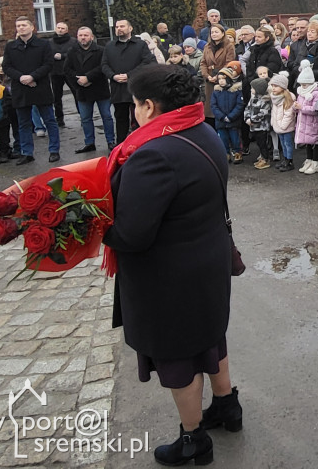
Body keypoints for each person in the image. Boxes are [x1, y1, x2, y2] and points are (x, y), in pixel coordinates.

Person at [102, 64, 240, 466]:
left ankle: (193, 438)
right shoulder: (202, 130)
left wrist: (92, 224)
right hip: (206, 260)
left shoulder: (154, 153)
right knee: (210, 337)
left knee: (180, 355)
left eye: (135, 105)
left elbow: (131, 235)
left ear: (148, 105)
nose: (133, 113)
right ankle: (227, 407)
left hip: (170, 278)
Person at [3, 16, 61, 166]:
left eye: (23, 25)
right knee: (23, 123)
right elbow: (6, 67)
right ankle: (27, 153)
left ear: (31, 27)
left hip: (40, 87)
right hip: (20, 89)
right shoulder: (11, 47)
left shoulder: (43, 45)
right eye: (18, 26)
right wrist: (22, 77)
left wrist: (32, 76)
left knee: (49, 120)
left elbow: (48, 64)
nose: (21, 28)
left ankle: (54, 150)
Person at [102, 20, 155, 144]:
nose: (119, 28)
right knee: (120, 119)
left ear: (130, 28)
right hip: (118, 89)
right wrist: (113, 76)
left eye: (122, 26)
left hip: (136, 87)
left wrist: (129, 75)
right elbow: (104, 65)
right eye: (117, 27)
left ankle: (141, 145)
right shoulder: (109, 46)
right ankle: (120, 147)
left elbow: (146, 62)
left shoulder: (140, 44)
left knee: (139, 119)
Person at [66, 27, 116, 153]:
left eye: (86, 35)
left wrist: (88, 78)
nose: (83, 37)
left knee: (106, 116)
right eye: (80, 35)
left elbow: (103, 67)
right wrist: (78, 81)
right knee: (85, 118)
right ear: (77, 37)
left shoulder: (101, 50)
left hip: (99, 88)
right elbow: (67, 69)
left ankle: (111, 141)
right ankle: (89, 143)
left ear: (91, 37)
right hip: (82, 90)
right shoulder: (72, 51)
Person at [200, 26, 237, 127]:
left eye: (216, 32)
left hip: (222, 79)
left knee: (221, 106)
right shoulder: (207, 46)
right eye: (212, 32)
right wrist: (207, 75)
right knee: (209, 108)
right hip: (209, 80)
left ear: (222, 33)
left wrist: (218, 76)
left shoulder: (228, 46)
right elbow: (203, 63)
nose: (214, 34)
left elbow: (229, 62)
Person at [293, 61, 318, 174]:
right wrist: (295, 107)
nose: (302, 87)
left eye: (304, 84)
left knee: (314, 142)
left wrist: (302, 107)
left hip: (312, 123)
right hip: (303, 122)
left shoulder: (316, 93)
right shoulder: (301, 92)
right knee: (307, 143)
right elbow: (298, 105)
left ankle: (315, 162)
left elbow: (316, 109)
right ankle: (308, 159)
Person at [211, 64, 245, 163]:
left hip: (233, 120)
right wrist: (221, 116)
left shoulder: (236, 91)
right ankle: (226, 153)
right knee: (223, 139)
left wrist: (230, 116)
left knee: (235, 138)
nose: (221, 81)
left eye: (223, 79)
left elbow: (239, 105)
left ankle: (238, 153)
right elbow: (213, 105)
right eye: (219, 79)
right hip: (221, 120)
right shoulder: (216, 92)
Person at [48, 22, 78, 127]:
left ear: (67, 30)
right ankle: (59, 118)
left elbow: (75, 54)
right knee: (57, 97)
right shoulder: (50, 42)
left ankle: (82, 115)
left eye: (63, 28)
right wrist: (53, 56)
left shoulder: (73, 41)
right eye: (58, 28)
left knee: (76, 94)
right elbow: (46, 55)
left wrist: (63, 56)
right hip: (55, 72)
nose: (60, 30)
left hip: (69, 72)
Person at [244, 72, 273, 169]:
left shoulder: (265, 101)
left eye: (253, 88)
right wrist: (247, 118)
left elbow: (262, 113)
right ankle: (262, 158)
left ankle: (265, 159)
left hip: (262, 127)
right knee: (259, 144)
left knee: (263, 143)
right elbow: (247, 109)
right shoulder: (253, 99)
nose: (251, 90)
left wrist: (252, 119)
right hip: (253, 126)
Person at [268, 72, 296, 171]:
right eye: (272, 86)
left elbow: (289, 114)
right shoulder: (274, 97)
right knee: (283, 144)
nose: (273, 88)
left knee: (288, 144)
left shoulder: (288, 98)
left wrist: (282, 125)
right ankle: (285, 159)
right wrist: (273, 123)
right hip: (278, 126)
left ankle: (289, 161)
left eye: (276, 86)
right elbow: (274, 112)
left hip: (285, 127)